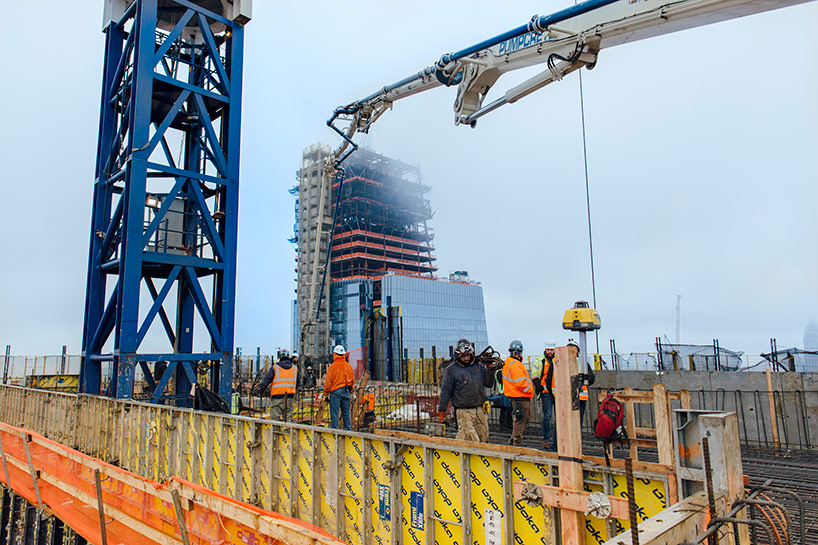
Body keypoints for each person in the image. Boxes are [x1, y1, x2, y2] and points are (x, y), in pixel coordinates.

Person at [437, 339, 495, 442]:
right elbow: (446, 391)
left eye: (468, 355)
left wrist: (490, 370)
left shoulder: (479, 366)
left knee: (483, 438)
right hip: (463, 411)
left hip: (480, 410)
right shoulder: (451, 370)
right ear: (457, 356)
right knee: (468, 439)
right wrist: (442, 410)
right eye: (463, 356)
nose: (466, 358)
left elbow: (488, 384)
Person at [502, 340, 534, 446]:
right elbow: (520, 383)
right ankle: (517, 441)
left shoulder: (510, 363)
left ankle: (514, 439)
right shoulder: (515, 365)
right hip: (520, 396)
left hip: (517, 395)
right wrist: (529, 390)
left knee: (523, 418)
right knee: (521, 419)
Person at [530, 340, 557, 451]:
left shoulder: (558, 360)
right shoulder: (540, 361)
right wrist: (539, 388)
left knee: (558, 417)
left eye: (551, 350)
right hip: (546, 393)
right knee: (547, 416)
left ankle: (556, 440)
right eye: (548, 350)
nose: (549, 352)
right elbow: (535, 375)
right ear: (545, 349)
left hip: (557, 393)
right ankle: (546, 440)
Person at [257, 349, 297, 422]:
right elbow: (298, 383)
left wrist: (261, 390)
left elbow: (266, 381)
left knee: (275, 420)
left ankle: (276, 430)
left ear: (280, 357)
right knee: (288, 419)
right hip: (289, 398)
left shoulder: (275, 368)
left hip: (277, 398)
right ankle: (287, 429)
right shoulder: (294, 369)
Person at [324, 345, 354, 429]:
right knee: (346, 414)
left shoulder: (332, 367)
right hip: (346, 391)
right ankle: (348, 432)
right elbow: (352, 381)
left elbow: (328, 382)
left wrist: (325, 393)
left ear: (335, 354)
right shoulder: (348, 366)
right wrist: (350, 390)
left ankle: (335, 433)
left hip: (335, 392)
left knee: (334, 414)